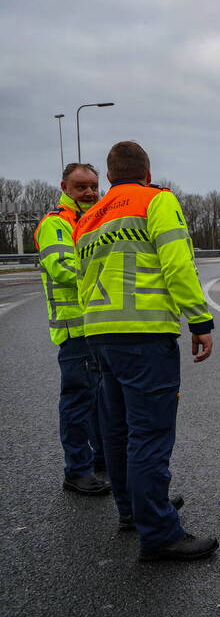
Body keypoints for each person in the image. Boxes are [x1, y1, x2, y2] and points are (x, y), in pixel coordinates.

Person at [74, 141, 218, 561]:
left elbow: (83, 280)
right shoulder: (156, 200)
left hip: (99, 334)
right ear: (147, 171)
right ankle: (159, 534)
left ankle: (133, 513)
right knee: (149, 436)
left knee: (117, 435)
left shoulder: (89, 219)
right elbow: (177, 264)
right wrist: (200, 320)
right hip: (144, 334)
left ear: (110, 174)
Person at [33, 163, 110, 496]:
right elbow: (64, 269)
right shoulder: (56, 224)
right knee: (78, 401)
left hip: (97, 326)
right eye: (81, 187)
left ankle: (101, 461)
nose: (90, 192)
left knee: (98, 400)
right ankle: (76, 471)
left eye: (93, 186)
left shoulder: (93, 220)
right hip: (75, 329)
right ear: (64, 187)